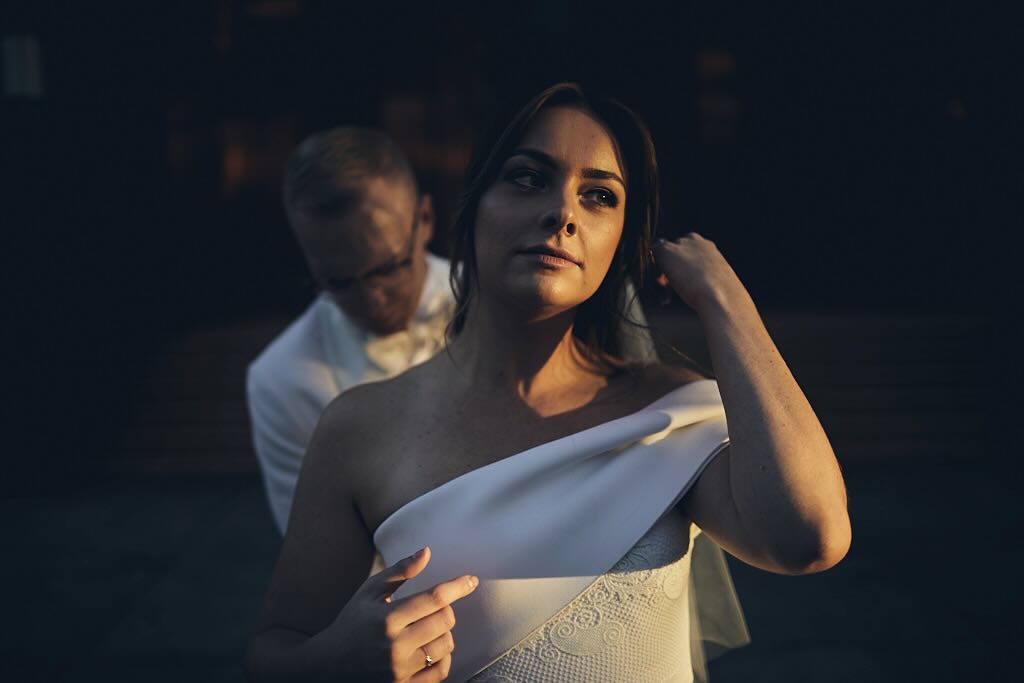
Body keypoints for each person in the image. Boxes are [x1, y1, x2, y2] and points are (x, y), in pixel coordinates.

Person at [245, 83, 851, 682]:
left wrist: (726, 301)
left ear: (620, 242)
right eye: (529, 178)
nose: (563, 213)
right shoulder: (357, 428)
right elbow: (275, 650)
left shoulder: (670, 415)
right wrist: (336, 663)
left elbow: (810, 538)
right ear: (473, 203)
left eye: (598, 196)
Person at [247, 126, 658, 535]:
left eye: (388, 268)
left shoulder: (520, 298)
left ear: (425, 219)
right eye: (340, 282)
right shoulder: (281, 378)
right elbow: (321, 552)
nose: (373, 298)